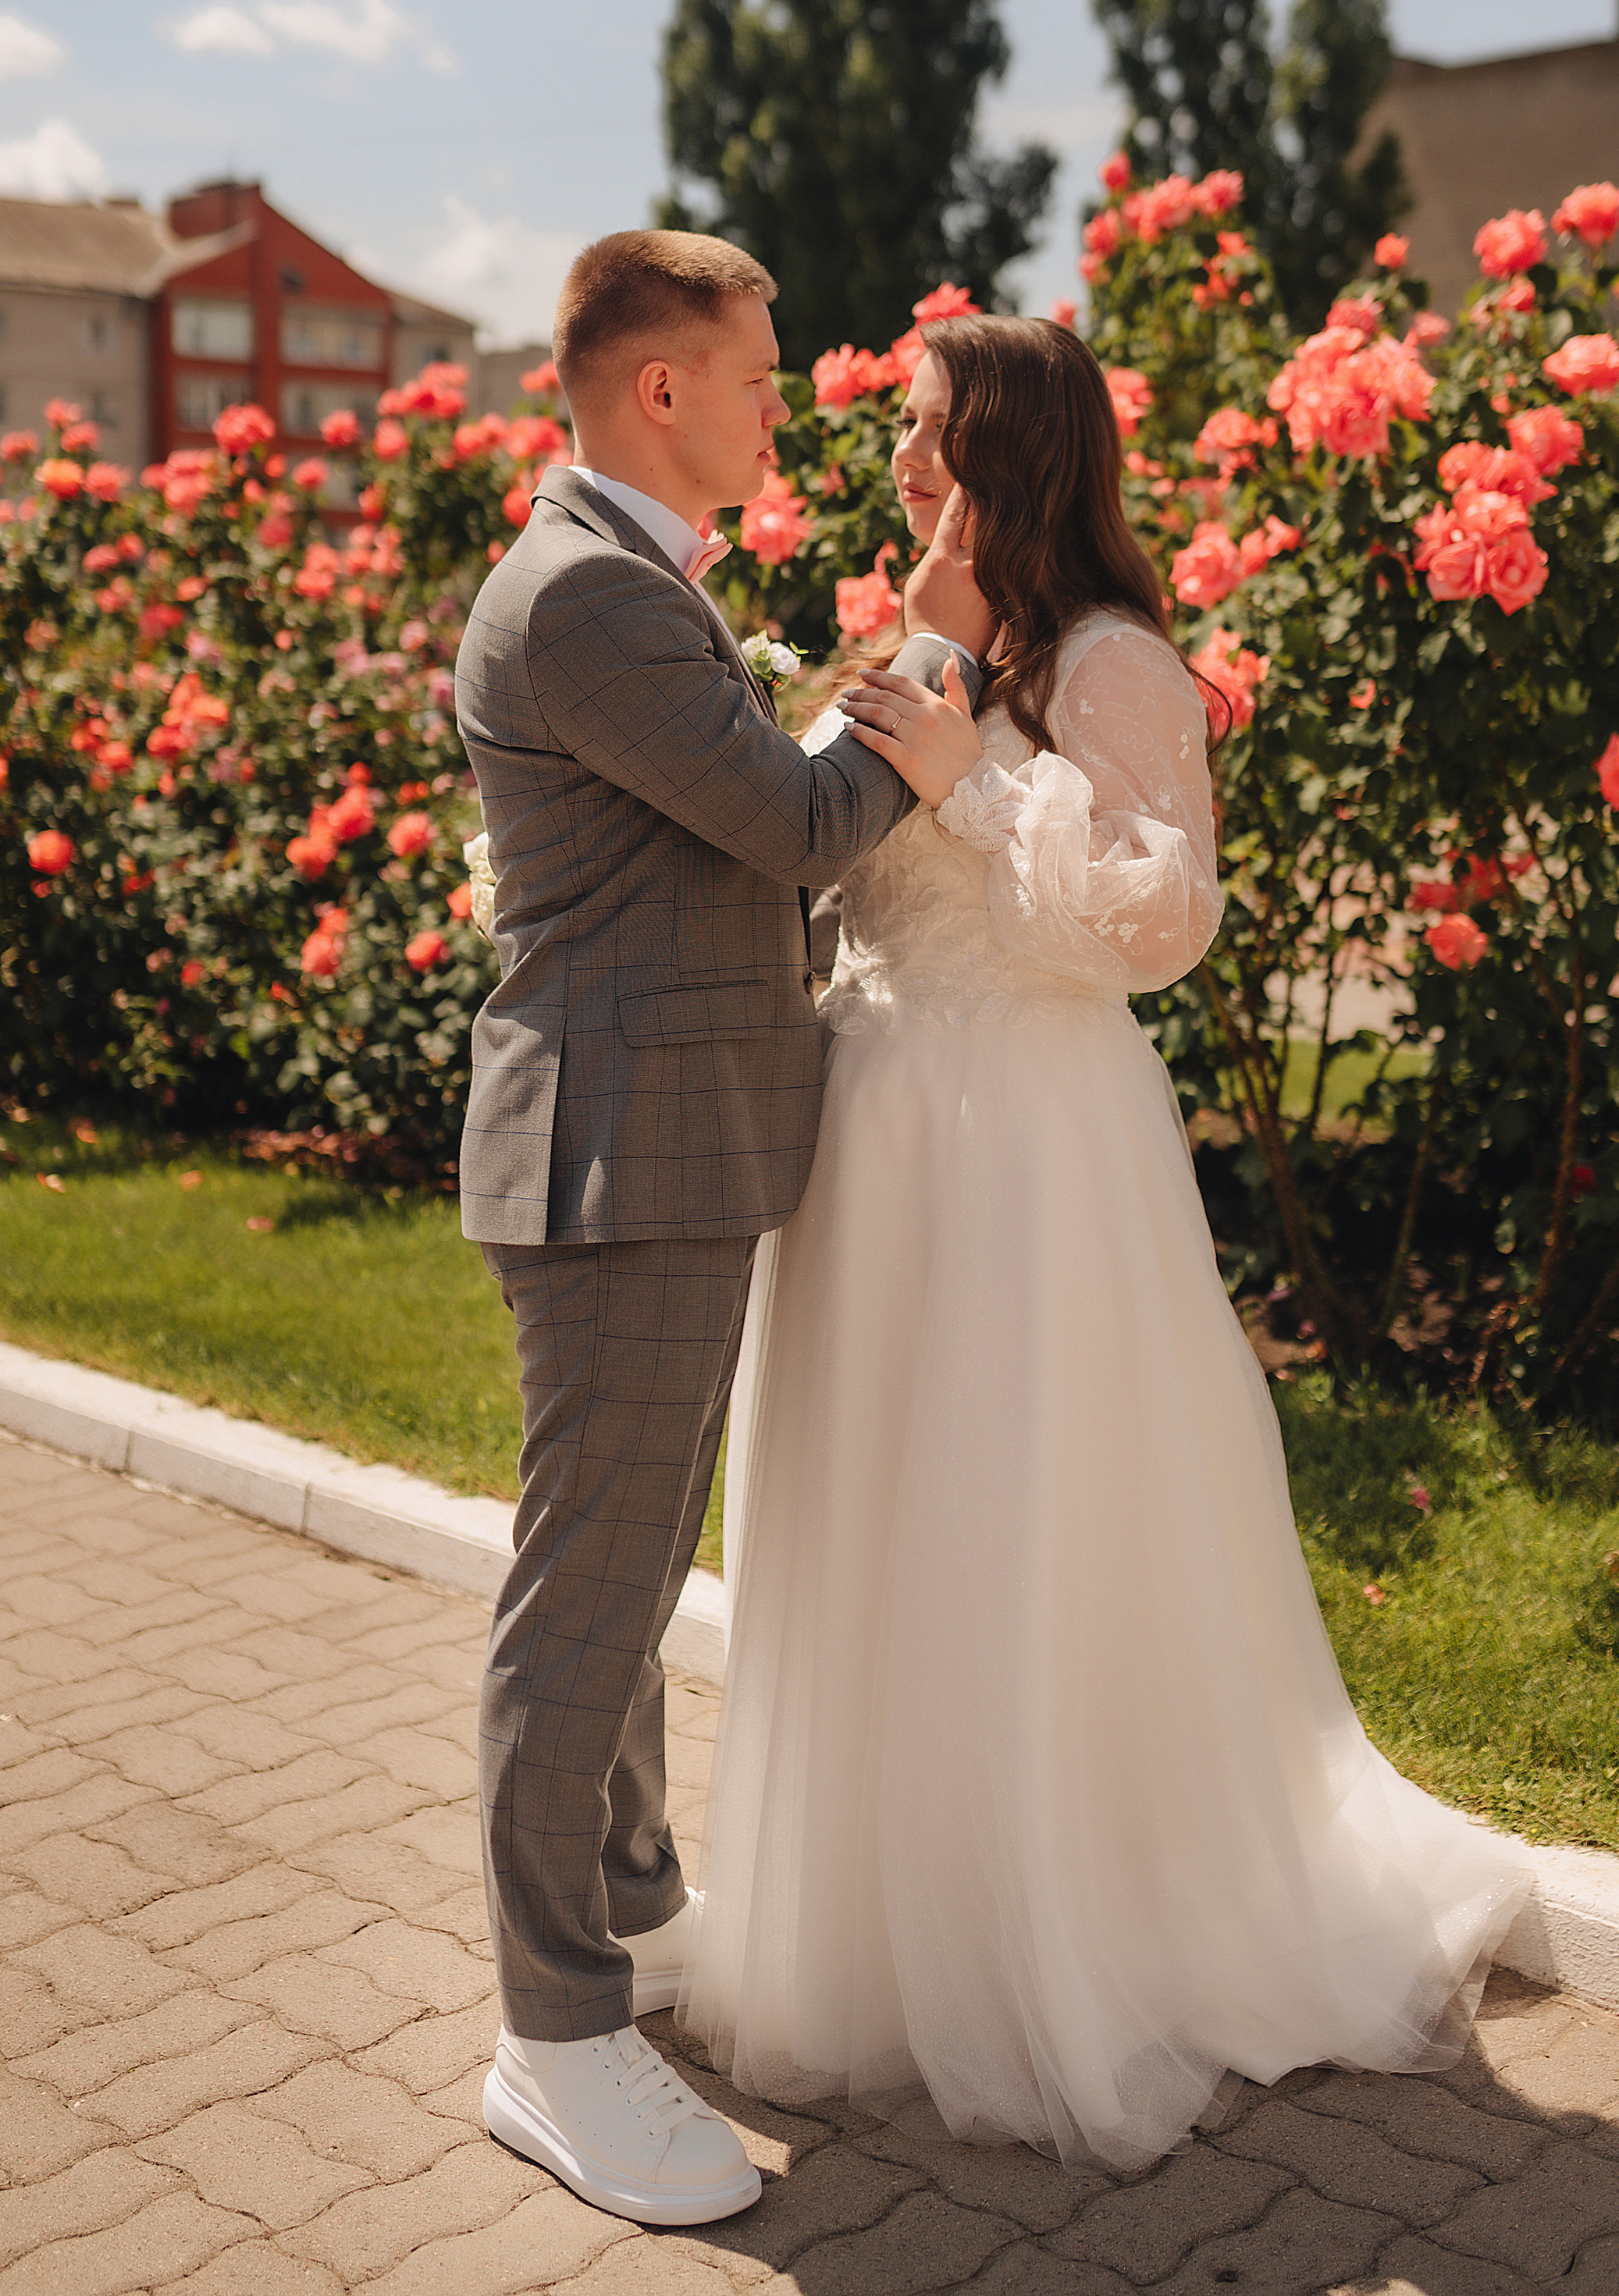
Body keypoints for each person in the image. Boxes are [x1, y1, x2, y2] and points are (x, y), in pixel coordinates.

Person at [680, 315, 1532, 2172]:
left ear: (1018, 456)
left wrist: (975, 773)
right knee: (877, 1516)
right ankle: (880, 1929)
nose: (900, 463)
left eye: (931, 435)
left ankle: (1069, 1922)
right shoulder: (921, 635)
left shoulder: (1115, 661)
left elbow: (1160, 918)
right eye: (899, 431)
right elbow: (819, 848)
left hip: (1030, 1146)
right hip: (871, 1133)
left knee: (1019, 1515)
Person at [451, 229, 988, 2227]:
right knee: (586, 1590)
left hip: (663, 1141)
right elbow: (793, 822)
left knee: (628, 1567)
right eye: (761, 379)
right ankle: (553, 2032)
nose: (788, 408)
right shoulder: (587, 597)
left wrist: (855, 720)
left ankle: (629, 1921)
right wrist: (924, 686)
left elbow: (753, 806)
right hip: (618, 1150)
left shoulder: (630, 582)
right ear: (655, 390)